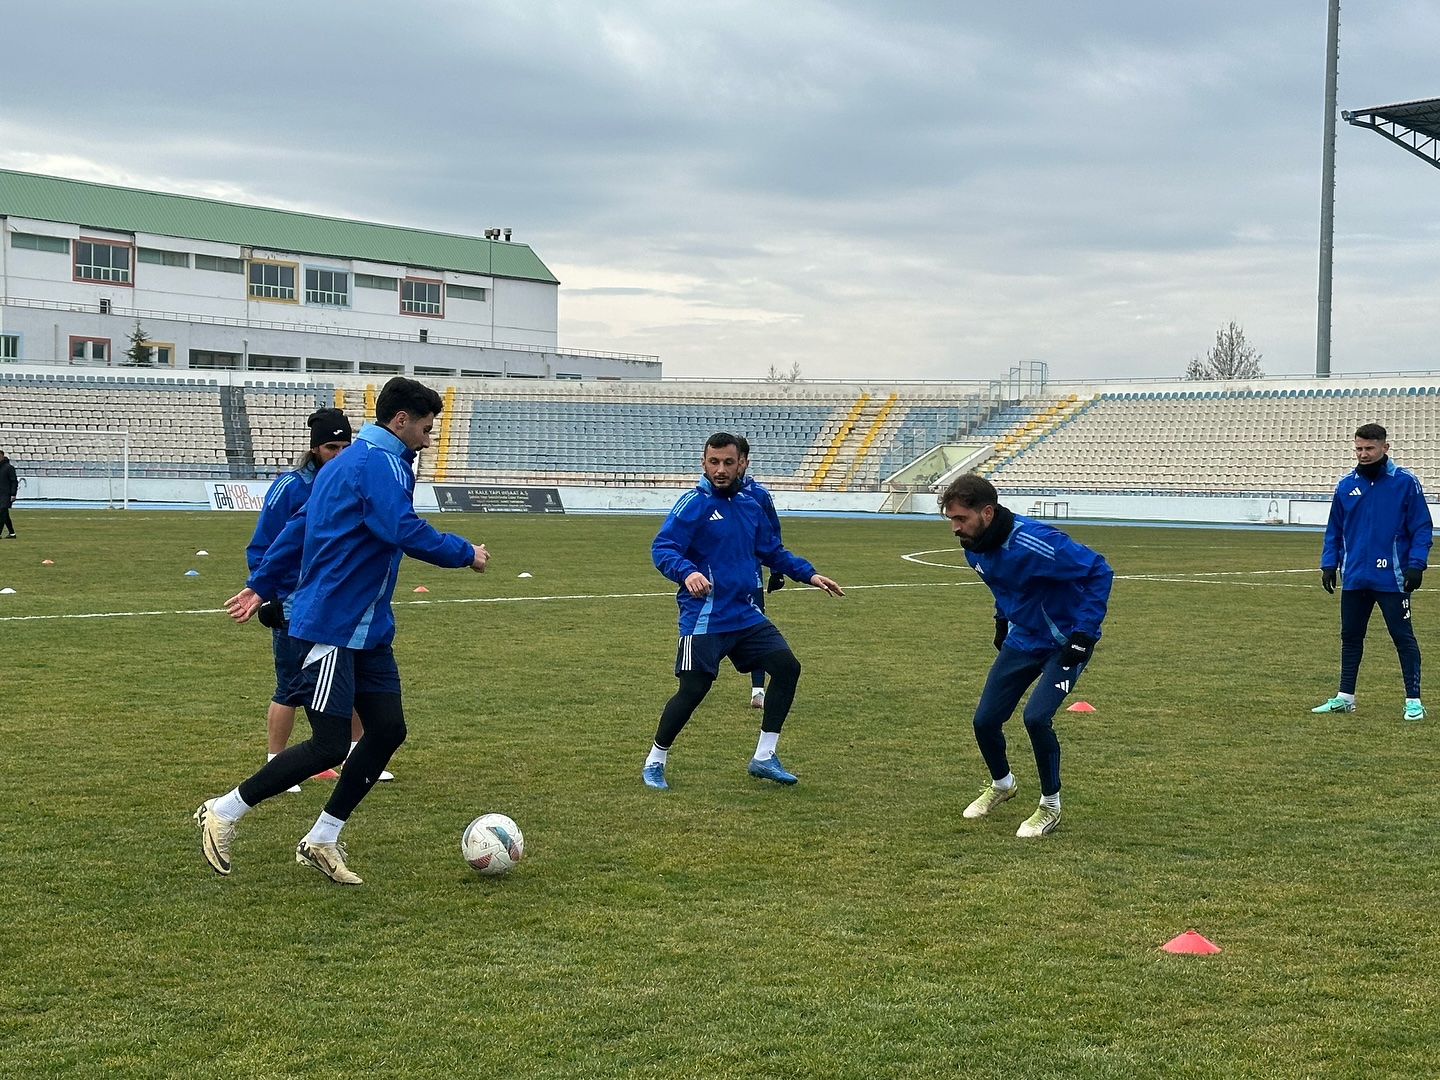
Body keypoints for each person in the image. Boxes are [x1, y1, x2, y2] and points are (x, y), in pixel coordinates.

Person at [197, 377, 488, 885]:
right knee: (330, 745)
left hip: (368, 626)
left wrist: (260, 583)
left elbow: (300, 527)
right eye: (425, 425)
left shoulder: (354, 461)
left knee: (388, 730)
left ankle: (323, 838)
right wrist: (466, 553)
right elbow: (401, 529)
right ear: (401, 420)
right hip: (333, 623)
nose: (429, 435)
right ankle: (223, 811)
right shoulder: (376, 463)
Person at [645, 432, 844, 790]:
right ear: (704, 463)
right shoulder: (692, 504)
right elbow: (663, 548)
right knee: (693, 690)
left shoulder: (752, 503)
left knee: (787, 668)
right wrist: (687, 571)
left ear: (742, 463)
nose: (720, 470)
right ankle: (655, 759)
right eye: (713, 462)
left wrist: (809, 573)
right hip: (704, 616)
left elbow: (772, 550)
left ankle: (764, 757)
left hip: (745, 613)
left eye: (728, 462)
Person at [942, 474, 1112, 838]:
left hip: (1066, 642)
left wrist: (1083, 634)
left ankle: (1050, 806)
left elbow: (1099, 569)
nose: (955, 527)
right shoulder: (974, 544)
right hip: (1023, 639)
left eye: (961, 519)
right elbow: (1003, 585)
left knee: (1036, 718)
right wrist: (1001, 622)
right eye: (951, 519)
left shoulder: (1037, 542)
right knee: (985, 720)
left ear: (986, 512)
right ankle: (1003, 785)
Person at [244, 407, 369, 793]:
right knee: (290, 687)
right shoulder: (291, 487)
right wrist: (269, 595)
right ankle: (276, 766)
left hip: (338, 604)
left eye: (345, 446)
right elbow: (264, 545)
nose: (338, 453)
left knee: (351, 683)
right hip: (292, 605)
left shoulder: (351, 481)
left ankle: (355, 760)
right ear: (315, 448)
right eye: (331, 446)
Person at [1313, 423, 1432, 721]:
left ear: (1384, 448)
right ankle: (1345, 697)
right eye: (1358, 449)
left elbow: (1421, 527)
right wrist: (1329, 563)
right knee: (1351, 637)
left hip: (1392, 577)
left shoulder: (1405, 482)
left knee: (1403, 637)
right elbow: (1335, 530)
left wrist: (1416, 564)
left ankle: (1413, 701)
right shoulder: (1345, 485)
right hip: (1355, 576)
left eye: (1369, 448)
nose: (1363, 454)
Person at [734, 435, 786, 709]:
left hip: (751, 574)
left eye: (738, 462)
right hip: (714, 578)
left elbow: (772, 534)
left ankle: (758, 690)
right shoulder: (710, 496)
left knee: (754, 626)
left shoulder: (759, 495)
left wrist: (777, 570)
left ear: (745, 462)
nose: (734, 468)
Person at [0, 449, 16, 538]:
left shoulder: (9, 468)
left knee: (2, 513)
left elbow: (14, 481)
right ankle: (12, 533)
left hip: (5, 494)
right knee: (5, 515)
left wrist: (13, 494)